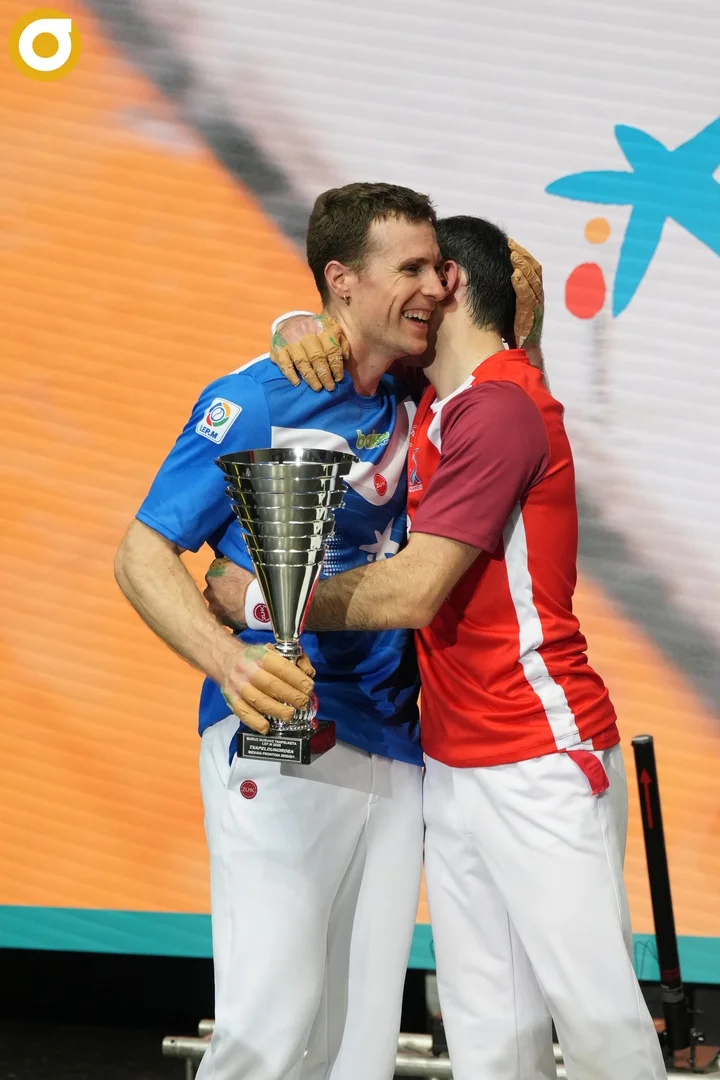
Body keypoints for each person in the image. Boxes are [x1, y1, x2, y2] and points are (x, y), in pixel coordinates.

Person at [205, 215, 668, 1080]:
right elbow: (344, 338)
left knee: (599, 1022)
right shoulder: (433, 397)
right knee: (491, 1033)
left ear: (450, 285)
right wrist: (296, 326)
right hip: (452, 759)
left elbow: (414, 593)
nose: (408, 291)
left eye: (423, 272)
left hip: (538, 749)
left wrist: (262, 598)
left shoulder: (500, 406)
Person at [115, 181, 458, 1080]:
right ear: (342, 279)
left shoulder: (420, 391)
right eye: (410, 269)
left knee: (356, 1048)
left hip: (395, 743)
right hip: (280, 731)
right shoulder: (261, 397)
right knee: (268, 1027)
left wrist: (292, 320)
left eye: (437, 268)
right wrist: (229, 663)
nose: (433, 287)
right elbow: (142, 552)